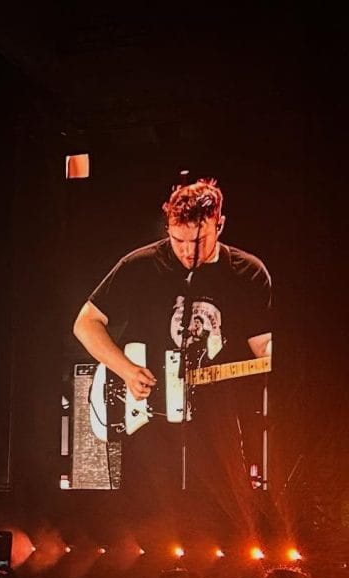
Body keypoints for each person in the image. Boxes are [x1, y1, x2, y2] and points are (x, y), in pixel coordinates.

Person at [72, 177, 272, 537]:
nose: (185, 251)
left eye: (197, 241)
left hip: (216, 419)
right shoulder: (140, 265)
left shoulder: (248, 273)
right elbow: (86, 323)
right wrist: (127, 370)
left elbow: (264, 347)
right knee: (143, 520)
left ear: (219, 224)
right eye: (177, 239)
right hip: (151, 421)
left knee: (222, 518)